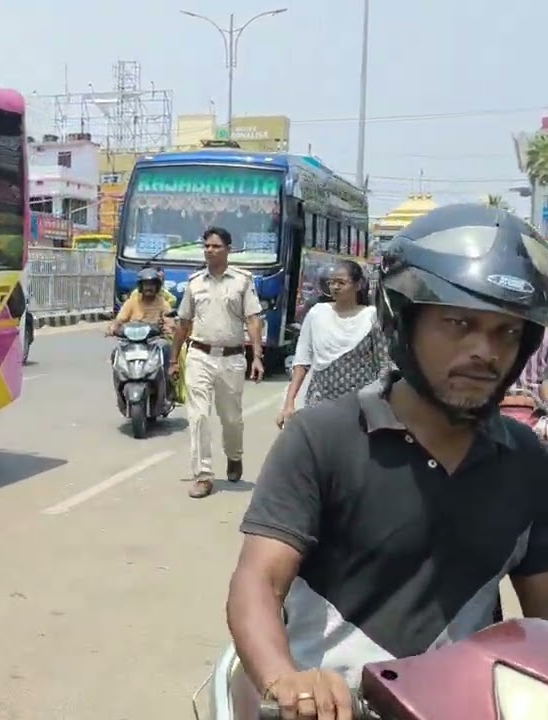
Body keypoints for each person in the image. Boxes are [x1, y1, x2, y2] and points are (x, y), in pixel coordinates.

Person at [226, 204, 548, 719]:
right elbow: (259, 581)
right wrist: (286, 680)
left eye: (506, 332)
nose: (484, 351)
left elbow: (543, 614)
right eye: (458, 323)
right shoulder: (324, 436)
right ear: (405, 320)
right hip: (329, 706)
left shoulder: (526, 457)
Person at [170, 227, 265, 499]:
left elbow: (253, 319)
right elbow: (183, 322)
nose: (209, 250)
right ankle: (203, 475)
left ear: (228, 250)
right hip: (199, 355)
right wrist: (174, 360)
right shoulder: (194, 283)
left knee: (231, 418)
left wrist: (256, 355)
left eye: (215, 246)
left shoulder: (243, 281)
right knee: (198, 416)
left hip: (232, 358)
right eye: (206, 246)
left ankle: (234, 456)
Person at [277, 259, 391, 428]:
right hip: (319, 402)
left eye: (341, 282)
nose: (335, 287)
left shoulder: (371, 317)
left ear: (358, 285)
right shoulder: (317, 313)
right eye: (332, 282)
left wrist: (378, 400)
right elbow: (302, 361)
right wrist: (289, 403)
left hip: (359, 407)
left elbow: (383, 364)